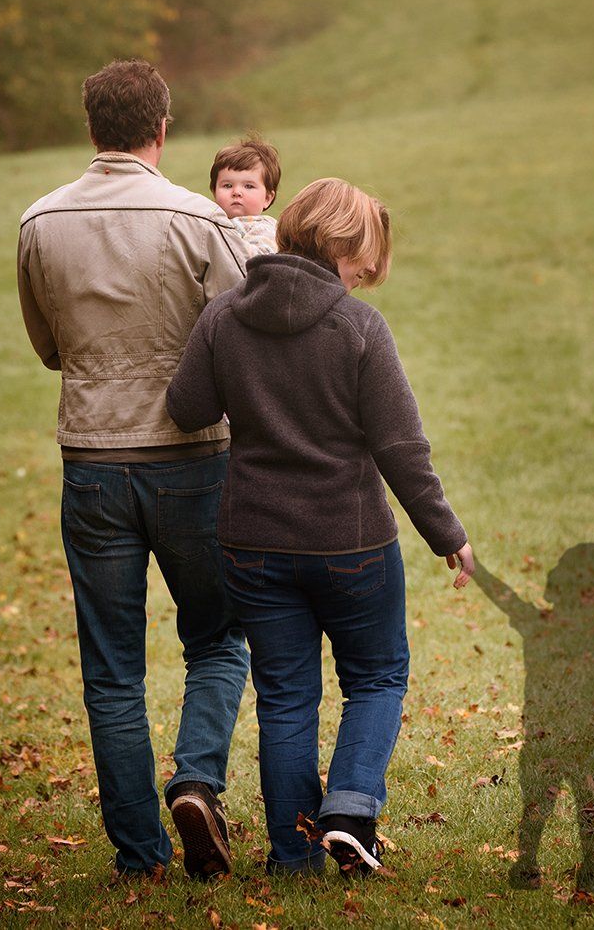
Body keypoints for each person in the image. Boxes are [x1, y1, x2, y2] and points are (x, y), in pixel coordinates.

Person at [166, 177, 476, 876]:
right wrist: (446, 532)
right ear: (334, 242)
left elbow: (186, 407)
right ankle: (350, 810)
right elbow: (400, 446)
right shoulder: (359, 328)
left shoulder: (222, 316)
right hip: (352, 542)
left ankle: (293, 855)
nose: (363, 279)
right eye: (361, 264)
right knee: (376, 676)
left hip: (252, 541)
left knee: (284, 697)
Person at [17, 59, 270, 880]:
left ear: (91, 127)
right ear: (163, 129)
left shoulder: (39, 222)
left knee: (112, 668)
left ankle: (139, 854)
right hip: (195, 461)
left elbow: (50, 347)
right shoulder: (203, 221)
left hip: (92, 460)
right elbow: (244, 336)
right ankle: (196, 778)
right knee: (219, 639)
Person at [472, 545, 594, 892]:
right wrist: (475, 567)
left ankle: (571, 866)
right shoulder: (582, 634)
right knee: (556, 803)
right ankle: (537, 864)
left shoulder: (560, 630)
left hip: (569, 737)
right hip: (565, 738)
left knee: (574, 802)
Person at [209, 138, 281, 254]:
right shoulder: (208, 222)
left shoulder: (264, 228)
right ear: (214, 193)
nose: (236, 192)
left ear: (267, 198)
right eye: (227, 186)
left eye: (248, 186)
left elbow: (258, 261)